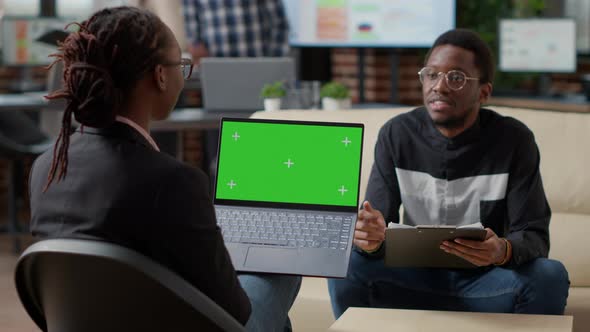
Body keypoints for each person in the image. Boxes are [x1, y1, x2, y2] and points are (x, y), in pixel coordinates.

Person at [27, 6, 300, 331]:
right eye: (181, 66)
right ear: (159, 76)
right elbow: (235, 311)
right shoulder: (172, 181)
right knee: (284, 262)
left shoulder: (46, 168)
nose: (183, 75)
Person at [328, 29, 570, 317]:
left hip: (487, 283)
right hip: (410, 281)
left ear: (484, 92)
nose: (438, 86)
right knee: (344, 261)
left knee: (550, 275)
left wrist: (501, 250)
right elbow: (377, 230)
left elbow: (534, 236)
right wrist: (369, 238)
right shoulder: (397, 134)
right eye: (431, 74)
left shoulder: (514, 140)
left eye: (455, 77)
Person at [182, 0, 290, 64]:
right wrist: (198, 53)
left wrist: (273, 61)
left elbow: (280, 24)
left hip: (259, 62)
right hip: (216, 66)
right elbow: (192, 30)